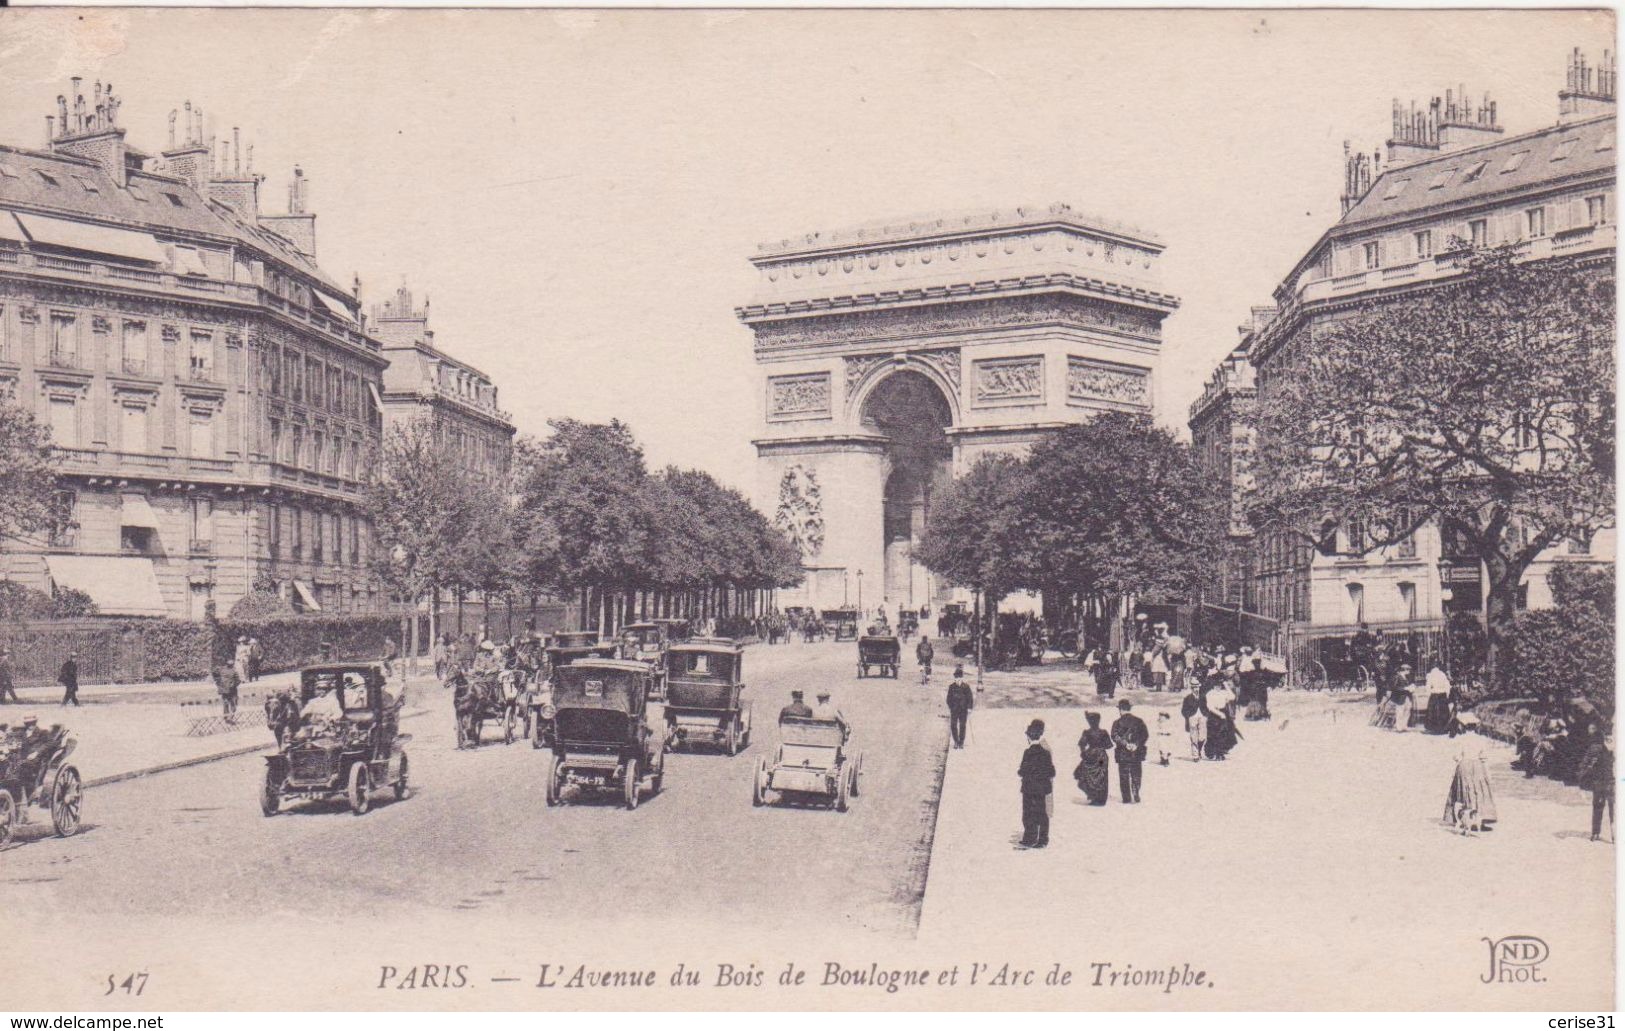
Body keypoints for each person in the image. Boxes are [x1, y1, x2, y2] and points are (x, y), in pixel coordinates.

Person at [1444, 744, 1498, 833]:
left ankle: (1469, 820)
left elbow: (1456, 756)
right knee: (1478, 792)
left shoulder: (1460, 739)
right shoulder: (1481, 740)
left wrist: (1459, 762)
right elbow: (1484, 757)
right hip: (1477, 767)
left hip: (1466, 766)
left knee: (1466, 792)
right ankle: (1474, 820)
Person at [1017, 719, 1054, 848]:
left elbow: (1021, 771)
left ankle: (1029, 838)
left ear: (1029, 737)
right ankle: (1043, 840)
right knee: (1042, 813)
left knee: (1028, 813)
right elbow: (1052, 771)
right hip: (1042, 789)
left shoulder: (1027, 753)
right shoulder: (1045, 753)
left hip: (1028, 788)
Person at [1577, 724, 1614, 843]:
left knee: (1612, 809)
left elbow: (1583, 764)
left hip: (1612, 781)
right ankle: (1596, 832)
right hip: (1602, 781)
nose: (1609, 738)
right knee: (1599, 806)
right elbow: (1584, 763)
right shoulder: (1596, 747)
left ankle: (1611, 834)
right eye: (1607, 735)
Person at [1111, 699, 1149, 803]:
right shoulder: (1139, 721)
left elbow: (1114, 736)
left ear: (1120, 710)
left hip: (1122, 753)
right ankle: (1136, 791)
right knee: (1136, 773)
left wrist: (1126, 744)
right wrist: (1136, 744)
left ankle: (1126, 798)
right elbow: (1145, 735)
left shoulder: (1117, 723)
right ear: (1129, 708)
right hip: (1136, 753)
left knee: (1123, 775)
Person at [1073, 711, 1113, 805]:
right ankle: (1100, 799)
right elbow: (1109, 745)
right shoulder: (1103, 732)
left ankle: (1093, 796)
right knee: (1101, 778)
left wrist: (1084, 753)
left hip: (1091, 756)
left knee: (1086, 776)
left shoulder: (1087, 732)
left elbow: (1081, 744)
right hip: (1101, 757)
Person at [1204, 674, 1238, 760]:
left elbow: (1232, 697)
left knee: (1224, 734)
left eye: (1219, 685)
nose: (1218, 687)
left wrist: (1226, 685)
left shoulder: (1223, 692)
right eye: (1216, 685)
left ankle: (1220, 752)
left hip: (1224, 712)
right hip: (1214, 715)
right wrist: (1220, 714)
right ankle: (1212, 753)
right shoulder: (1210, 693)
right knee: (1214, 734)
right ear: (1213, 685)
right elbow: (1210, 707)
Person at [1422, 665, 1456, 735]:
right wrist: (1447, 694)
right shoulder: (1442, 674)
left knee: (1433, 711)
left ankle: (1433, 728)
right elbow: (1447, 685)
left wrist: (1429, 693)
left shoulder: (1430, 675)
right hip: (1442, 694)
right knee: (1443, 711)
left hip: (1434, 694)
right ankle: (1443, 727)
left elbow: (1428, 686)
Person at [945, 665, 973, 749]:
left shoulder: (966, 687)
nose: (958, 679)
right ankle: (956, 741)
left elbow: (970, 698)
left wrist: (969, 708)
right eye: (956, 678)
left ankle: (961, 742)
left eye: (959, 678)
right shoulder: (951, 687)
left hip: (963, 709)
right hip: (954, 710)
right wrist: (951, 707)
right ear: (954, 678)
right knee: (953, 725)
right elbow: (948, 699)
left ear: (962, 678)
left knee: (962, 725)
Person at [1181, 677, 1206, 760]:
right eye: (1194, 687)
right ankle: (1195, 755)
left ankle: (1199, 750)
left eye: (1197, 687)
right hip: (1192, 717)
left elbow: (1206, 707)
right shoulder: (1188, 698)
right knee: (1193, 736)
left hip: (1202, 716)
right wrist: (1189, 716)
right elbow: (1183, 710)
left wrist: (1206, 715)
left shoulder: (1203, 697)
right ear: (1192, 688)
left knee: (1202, 736)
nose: (1196, 689)